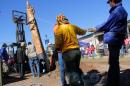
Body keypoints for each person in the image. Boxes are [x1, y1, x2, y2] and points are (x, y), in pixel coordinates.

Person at [88, 0, 128, 86]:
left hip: (114, 38)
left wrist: (96, 28)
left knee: (113, 62)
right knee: (114, 61)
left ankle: (113, 82)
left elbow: (107, 24)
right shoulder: (122, 10)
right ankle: (114, 80)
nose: (109, 4)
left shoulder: (116, 12)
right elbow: (109, 23)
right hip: (118, 38)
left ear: (113, 1)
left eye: (109, 2)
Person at [54, 14, 86, 86]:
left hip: (68, 53)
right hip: (77, 51)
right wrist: (87, 30)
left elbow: (58, 43)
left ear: (58, 20)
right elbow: (82, 32)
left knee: (72, 75)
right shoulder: (73, 26)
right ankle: (82, 83)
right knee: (76, 70)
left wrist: (57, 49)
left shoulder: (59, 29)